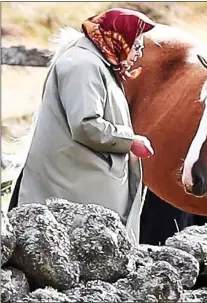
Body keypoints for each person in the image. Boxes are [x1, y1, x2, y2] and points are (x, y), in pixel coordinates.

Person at [8, 8, 156, 244]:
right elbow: (86, 125)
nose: (139, 53)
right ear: (120, 38)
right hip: (72, 184)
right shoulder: (83, 66)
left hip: (80, 182)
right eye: (136, 45)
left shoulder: (97, 64)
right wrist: (131, 141)